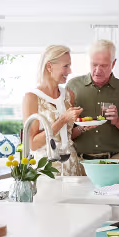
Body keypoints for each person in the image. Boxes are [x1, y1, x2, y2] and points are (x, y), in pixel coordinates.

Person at [67, 39, 119, 160]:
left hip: (113, 160)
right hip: (79, 161)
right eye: (94, 64)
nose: (98, 70)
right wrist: (81, 127)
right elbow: (64, 132)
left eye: (104, 65)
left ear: (113, 63)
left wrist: (117, 121)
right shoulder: (73, 86)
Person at [22, 45, 84, 175]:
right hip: (46, 170)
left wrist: (83, 128)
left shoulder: (69, 95)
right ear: (49, 66)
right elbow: (32, 144)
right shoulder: (32, 98)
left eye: (69, 66)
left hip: (71, 167)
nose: (69, 71)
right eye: (65, 66)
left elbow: (65, 137)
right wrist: (63, 119)